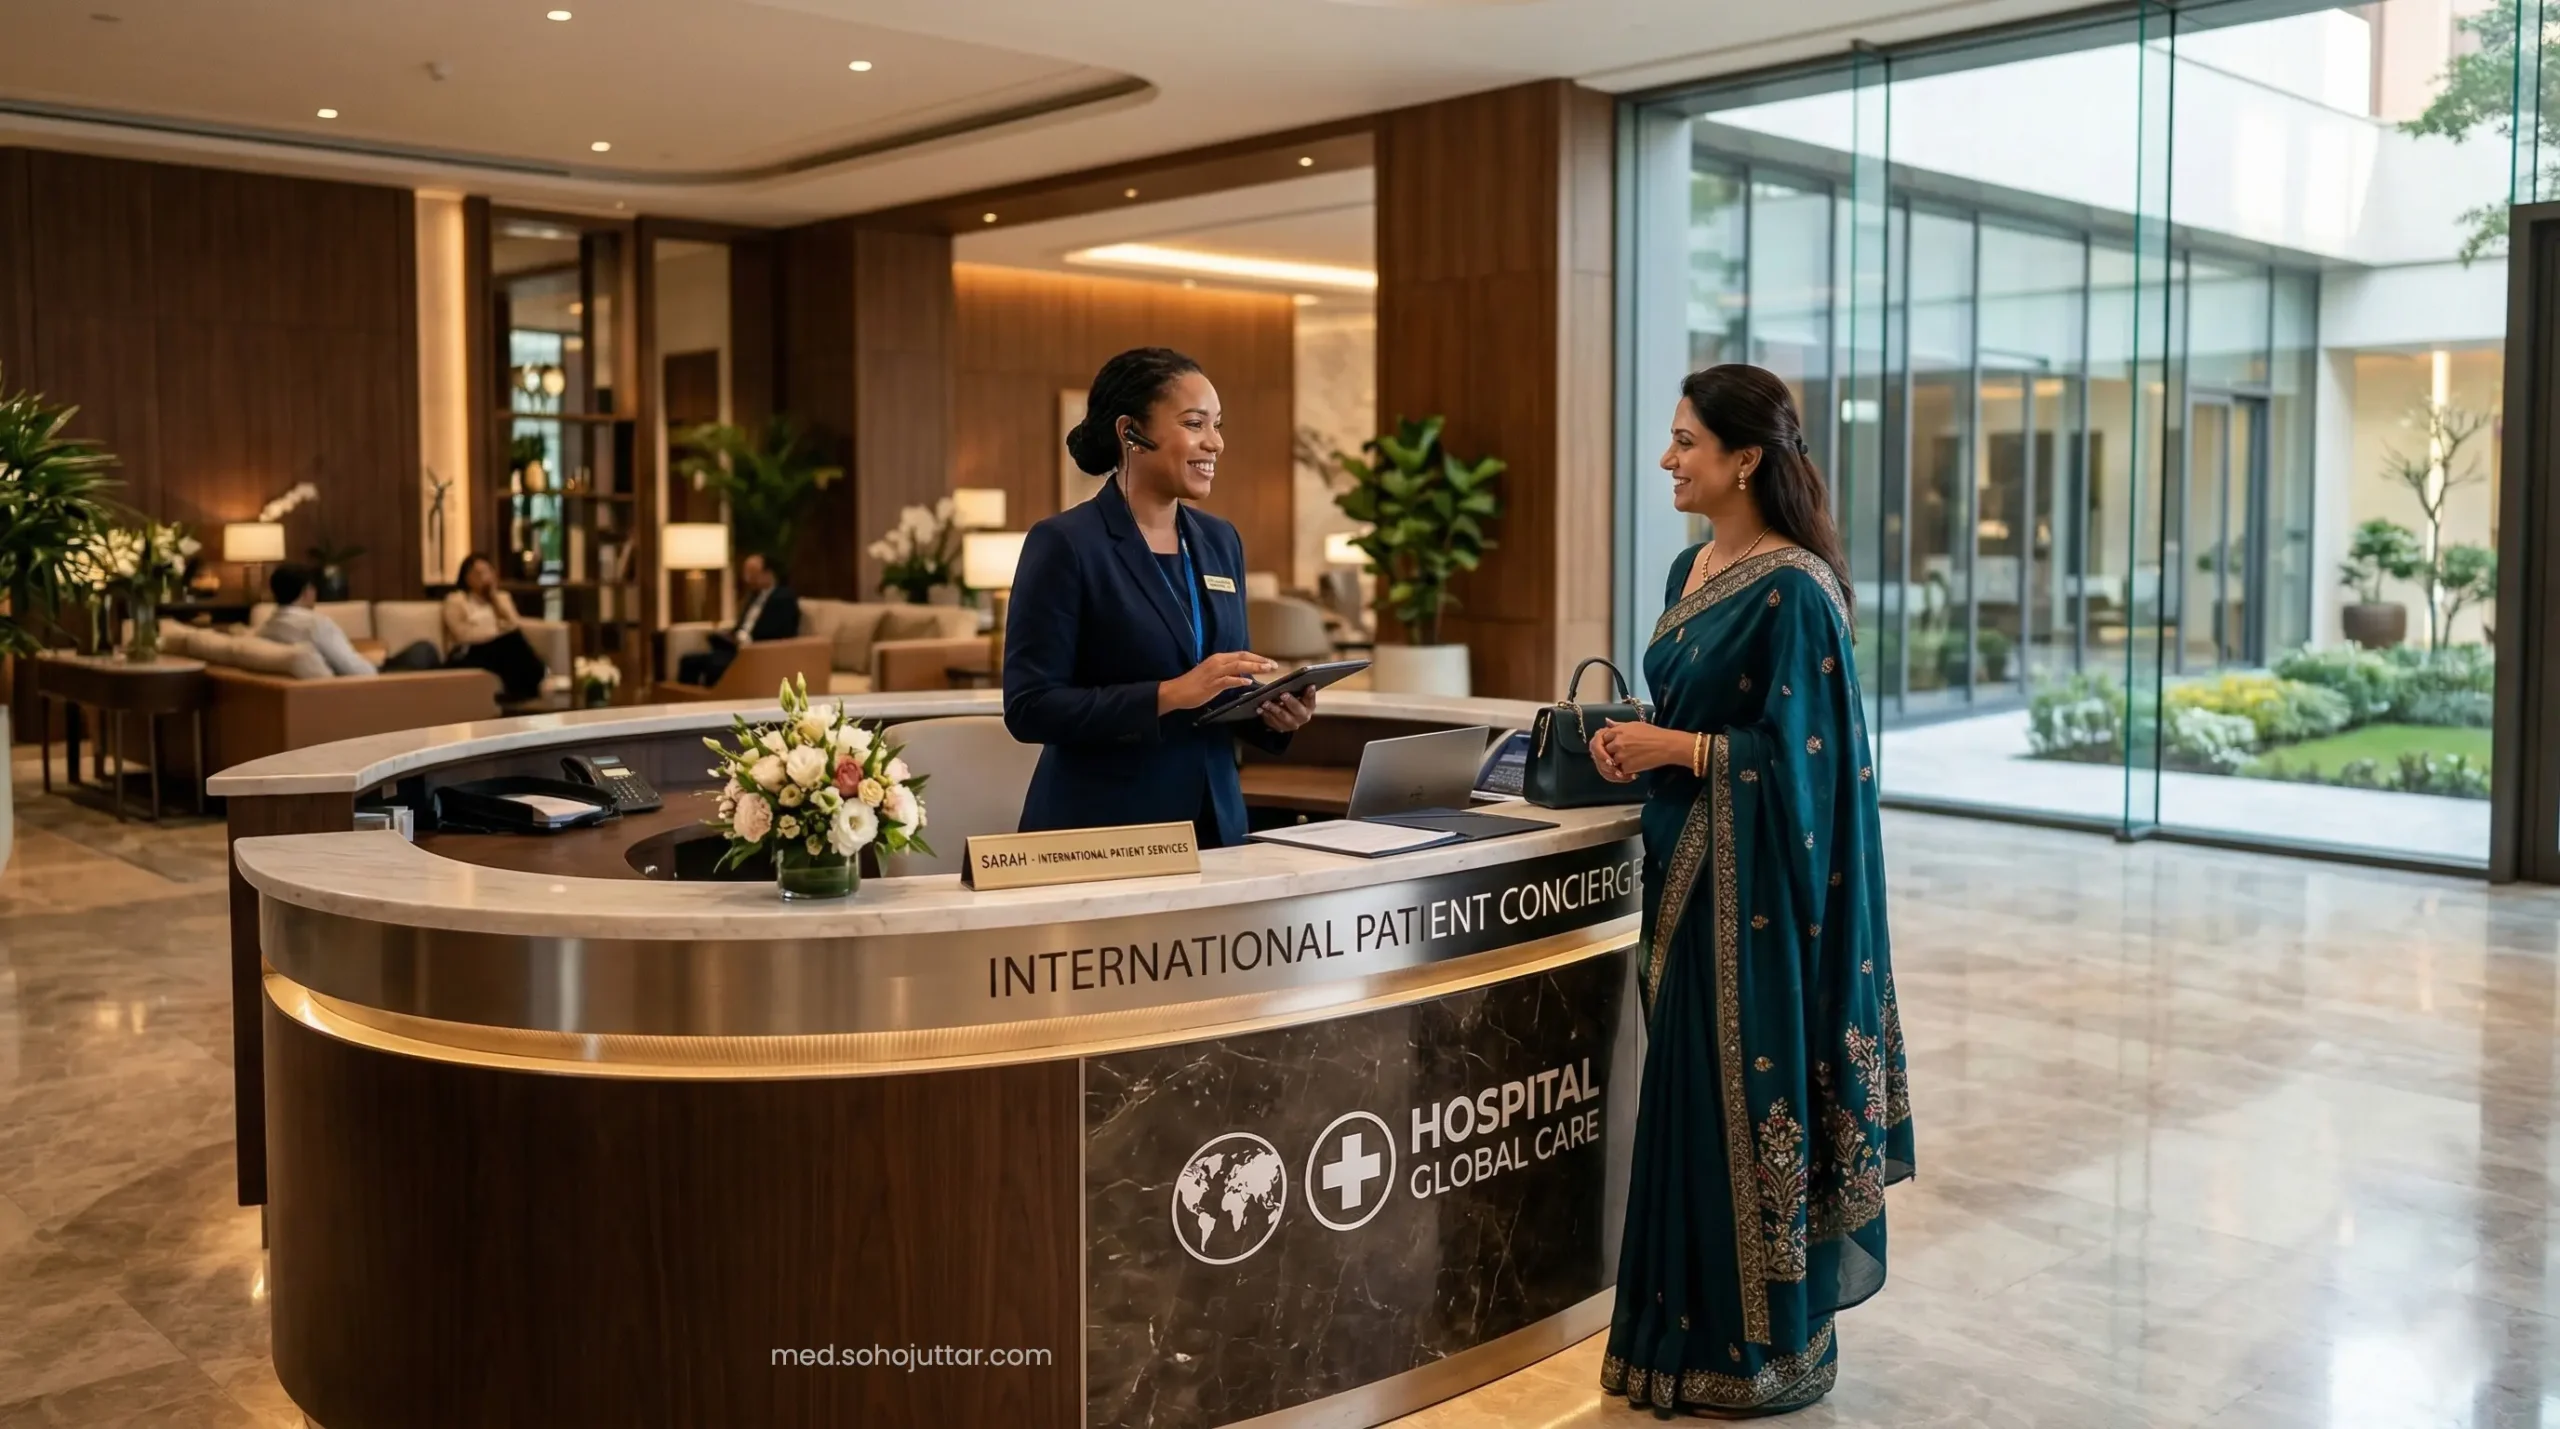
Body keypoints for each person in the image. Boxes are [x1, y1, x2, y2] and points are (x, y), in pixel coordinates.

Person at [1587, 364, 1913, 1416]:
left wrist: (1675, 746)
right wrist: (1639, 743)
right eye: (1671, 438)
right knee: (1680, 1096)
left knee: (1740, 1090)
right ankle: (1667, 1343)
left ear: (1745, 459)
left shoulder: (1796, 588)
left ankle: (1760, 1351)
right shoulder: (1693, 567)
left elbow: (1809, 765)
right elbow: (1699, 710)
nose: (1668, 459)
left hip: (1758, 898)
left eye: (1686, 441)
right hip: (1680, 870)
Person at [1003, 346, 1314, 849]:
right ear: (1131, 433)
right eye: (1195, 424)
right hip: (1104, 831)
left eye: (1217, 425)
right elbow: (1030, 707)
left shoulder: (1220, 541)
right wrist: (1168, 694)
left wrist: (1272, 716)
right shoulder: (1065, 543)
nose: (1214, 443)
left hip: (1217, 827)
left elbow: (1220, 685)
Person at [676, 552, 800, 687]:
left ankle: (714, 702)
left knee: (714, 665)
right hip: (736, 649)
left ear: (768, 574)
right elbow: (744, 626)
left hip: (757, 653)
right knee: (688, 661)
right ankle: (687, 702)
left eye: (753, 574)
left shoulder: (784, 598)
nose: (748, 579)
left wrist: (748, 643)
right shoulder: (753, 596)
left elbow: (782, 632)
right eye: (746, 574)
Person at [441, 553, 549, 701]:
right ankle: (537, 677)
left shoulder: (502, 598)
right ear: (467, 578)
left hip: (497, 650)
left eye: (487, 572)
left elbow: (514, 625)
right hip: (467, 652)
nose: (484, 577)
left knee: (512, 641)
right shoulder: (456, 600)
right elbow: (462, 634)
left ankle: (523, 690)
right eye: (477, 573)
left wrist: (494, 600)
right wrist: (495, 635)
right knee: (508, 642)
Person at [257, 564, 390, 676]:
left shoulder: (268, 626)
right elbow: (354, 668)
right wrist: (377, 670)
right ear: (306, 591)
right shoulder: (316, 624)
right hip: (370, 685)